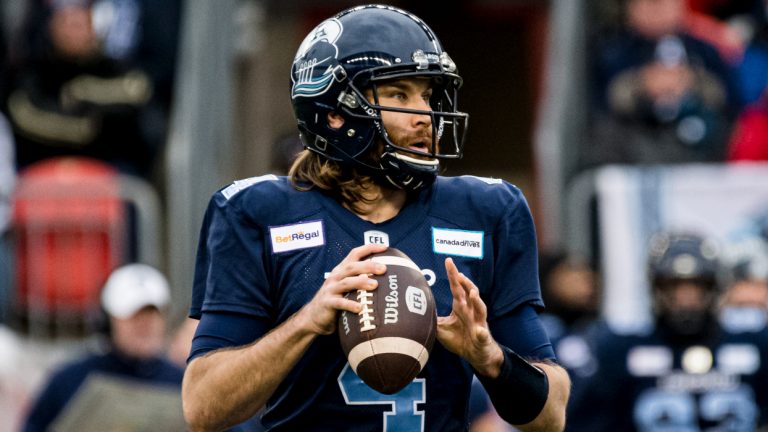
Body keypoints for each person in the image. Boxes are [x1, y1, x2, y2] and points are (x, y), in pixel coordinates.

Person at [182, 5, 570, 432]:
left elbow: (551, 416)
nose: (425, 116)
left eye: (427, 95)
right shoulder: (256, 212)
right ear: (335, 113)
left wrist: (492, 358)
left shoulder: (486, 210)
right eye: (400, 95)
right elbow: (203, 406)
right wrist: (306, 323)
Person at [567, 231, 768, 431]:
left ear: (714, 288)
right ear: (656, 289)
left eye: (697, 286)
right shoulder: (620, 349)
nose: (686, 299)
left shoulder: (755, 343)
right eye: (674, 286)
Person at [22, 263, 184, 431]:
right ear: (108, 321)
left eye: (152, 315)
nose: (145, 325)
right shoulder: (69, 380)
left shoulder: (181, 382)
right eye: (134, 316)